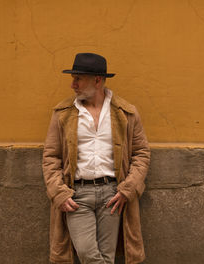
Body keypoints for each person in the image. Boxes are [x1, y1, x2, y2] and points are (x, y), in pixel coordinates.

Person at [42, 53, 150, 264]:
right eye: (73, 79)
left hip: (112, 194)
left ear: (97, 80)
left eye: (78, 79)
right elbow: (51, 157)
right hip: (76, 195)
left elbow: (141, 153)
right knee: (87, 253)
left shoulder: (125, 113)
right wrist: (58, 193)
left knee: (107, 257)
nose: (73, 85)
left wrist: (128, 189)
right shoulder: (63, 113)